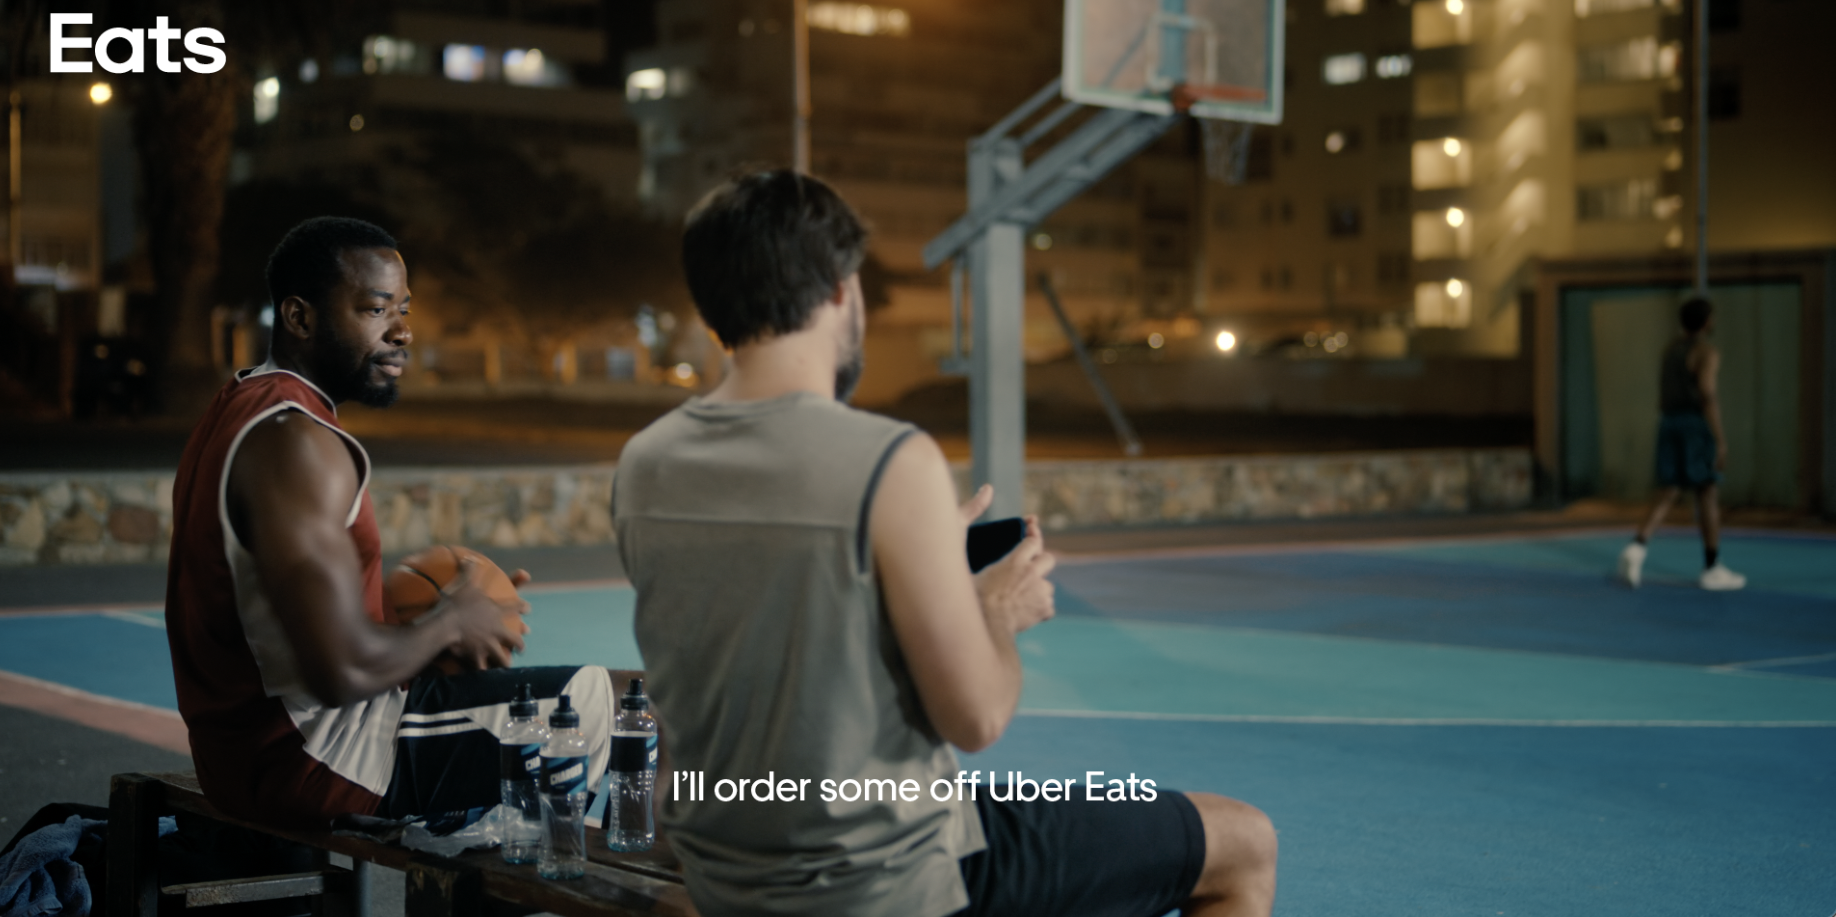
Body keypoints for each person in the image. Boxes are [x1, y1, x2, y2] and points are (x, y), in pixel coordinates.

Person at [613, 171, 1278, 917]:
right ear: (840, 290)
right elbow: (977, 718)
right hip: (883, 879)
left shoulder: (645, 463)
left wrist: (918, 548)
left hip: (726, 867)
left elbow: (764, 613)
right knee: (1244, 840)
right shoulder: (888, 460)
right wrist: (995, 610)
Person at [165, 216, 618, 829]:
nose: (402, 331)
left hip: (244, 758)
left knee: (573, 710)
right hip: (319, 761)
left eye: (403, 309)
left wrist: (434, 631)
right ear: (299, 317)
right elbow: (342, 670)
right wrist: (451, 620)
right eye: (376, 310)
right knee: (619, 707)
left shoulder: (243, 405)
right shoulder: (296, 442)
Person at [1615, 297, 1745, 591]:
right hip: (1694, 425)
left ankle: (1636, 547)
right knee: (1707, 492)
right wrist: (1720, 439)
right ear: (1707, 321)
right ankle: (1711, 567)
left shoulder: (1670, 351)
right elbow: (1707, 393)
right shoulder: (1706, 352)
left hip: (1668, 422)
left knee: (1666, 490)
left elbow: (1663, 393)